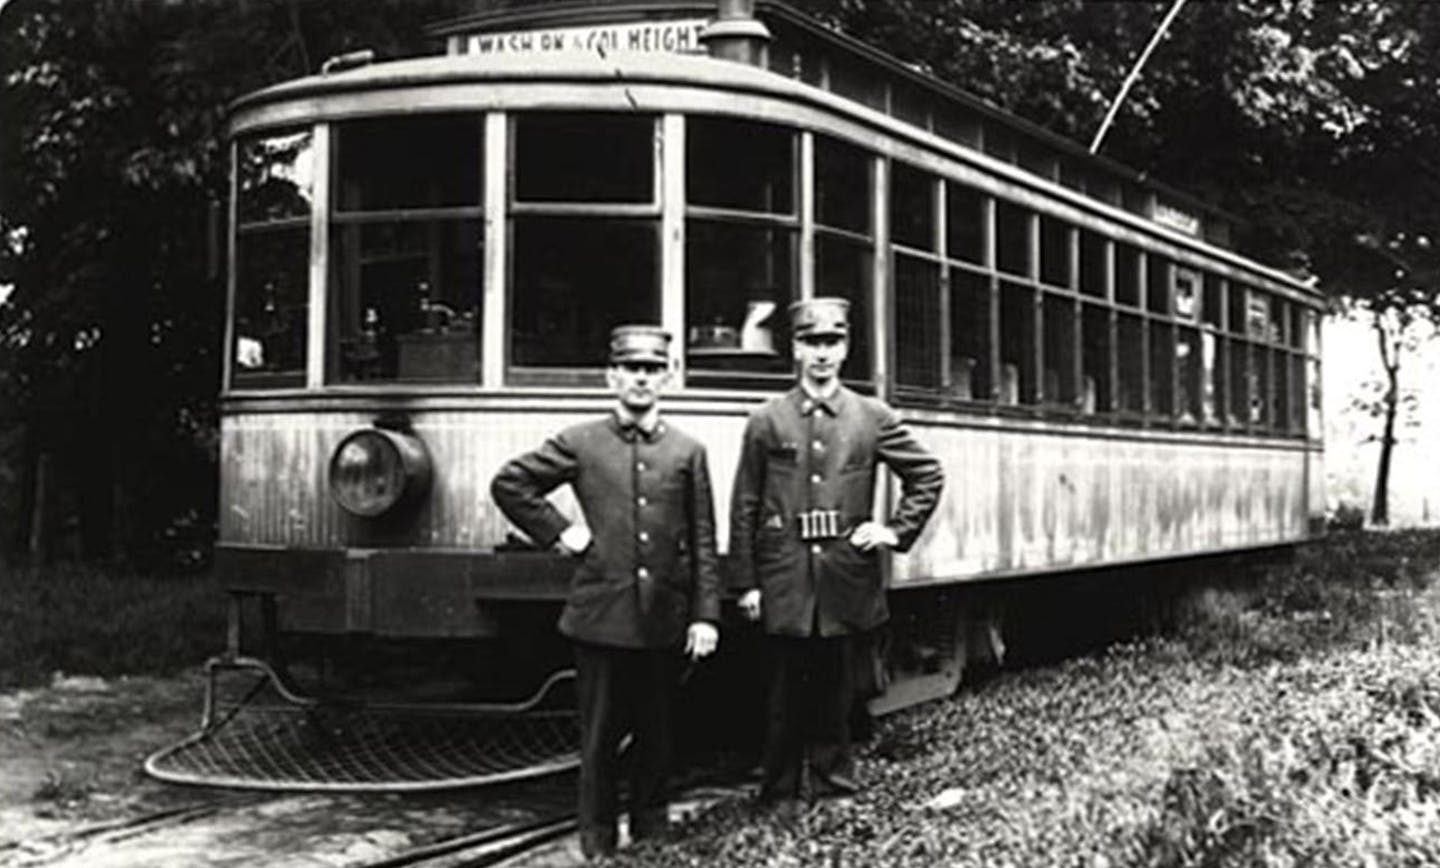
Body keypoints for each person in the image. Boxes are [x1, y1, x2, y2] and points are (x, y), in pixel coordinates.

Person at [491, 325, 721, 859]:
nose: (641, 380)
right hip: (600, 617)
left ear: (667, 377)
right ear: (611, 376)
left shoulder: (688, 452)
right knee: (597, 739)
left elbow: (703, 539)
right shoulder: (580, 441)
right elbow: (511, 484)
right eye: (631, 369)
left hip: (664, 617)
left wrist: (705, 615)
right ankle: (597, 842)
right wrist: (561, 532)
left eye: (652, 370)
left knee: (657, 735)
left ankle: (652, 835)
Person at [730, 297, 944, 804]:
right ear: (796, 350)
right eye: (810, 342)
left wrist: (893, 531)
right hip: (784, 578)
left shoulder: (872, 417)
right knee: (781, 694)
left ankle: (834, 790)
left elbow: (927, 475)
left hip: (843, 578)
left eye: (832, 342)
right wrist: (747, 581)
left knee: (833, 693)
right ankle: (777, 794)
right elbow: (746, 503)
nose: (821, 353)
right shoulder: (767, 420)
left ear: (846, 348)